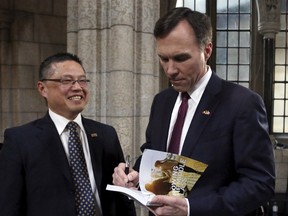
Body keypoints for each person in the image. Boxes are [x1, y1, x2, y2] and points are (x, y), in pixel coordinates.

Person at [112, 7, 275, 216]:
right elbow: (154, 153)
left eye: (180, 58)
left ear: (207, 50)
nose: (170, 70)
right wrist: (134, 175)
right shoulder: (162, 101)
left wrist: (191, 208)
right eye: (164, 58)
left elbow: (260, 183)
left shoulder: (243, 104)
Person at [0, 52, 136, 216]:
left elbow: (122, 196)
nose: (78, 87)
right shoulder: (20, 140)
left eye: (83, 80)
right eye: (66, 80)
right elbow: (9, 205)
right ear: (42, 88)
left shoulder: (106, 134)